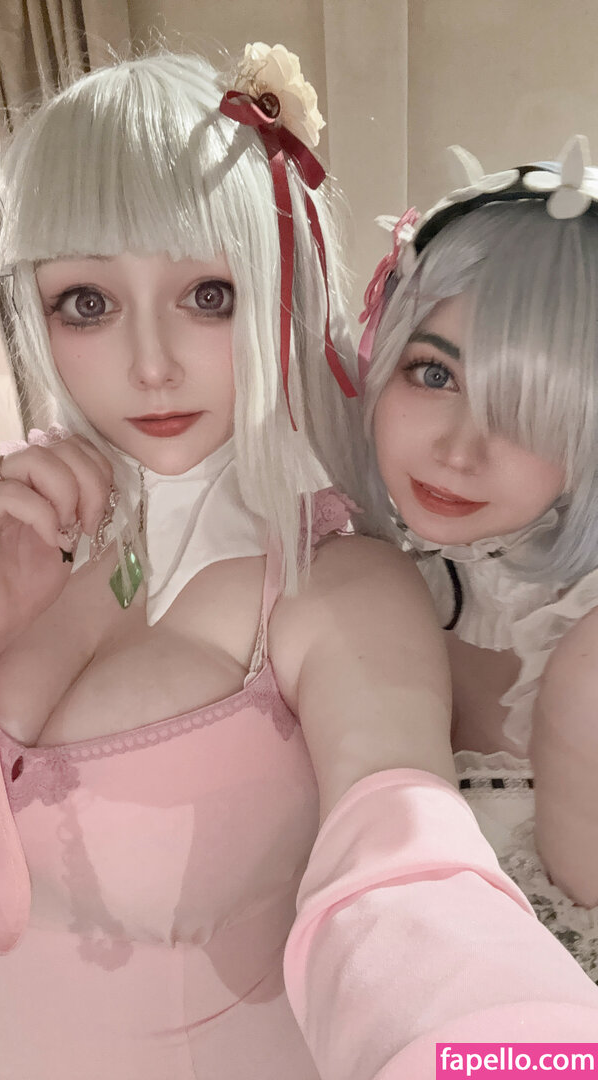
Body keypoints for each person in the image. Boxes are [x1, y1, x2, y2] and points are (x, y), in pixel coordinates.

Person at [0, 50, 598, 1080]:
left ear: (284, 288)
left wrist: (512, 1056)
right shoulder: (25, 527)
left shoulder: (341, 588)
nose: (151, 365)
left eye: (209, 294)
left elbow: (402, 861)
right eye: (86, 302)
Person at [355, 137, 598, 983]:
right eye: (433, 374)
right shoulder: (330, 573)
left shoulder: (585, 647)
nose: (460, 451)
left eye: (530, 411)